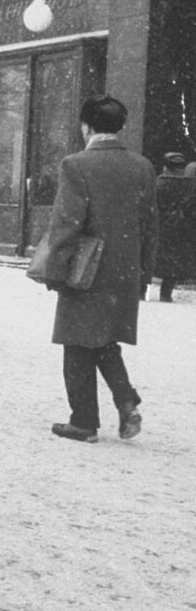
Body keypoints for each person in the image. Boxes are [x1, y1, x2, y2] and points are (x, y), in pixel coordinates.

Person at [40, 94, 157, 443]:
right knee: (103, 339)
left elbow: (66, 223)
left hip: (85, 269)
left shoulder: (76, 165)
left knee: (76, 344)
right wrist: (143, 274)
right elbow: (150, 226)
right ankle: (125, 401)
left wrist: (55, 269)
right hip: (124, 269)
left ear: (87, 126)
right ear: (121, 127)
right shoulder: (142, 167)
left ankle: (84, 421)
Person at [153, 151, 196, 302]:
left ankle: (142, 290)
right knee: (174, 261)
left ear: (165, 167)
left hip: (161, 226)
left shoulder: (158, 183)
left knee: (155, 257)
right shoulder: (190, 185)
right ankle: (166, 293)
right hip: (182, 228)